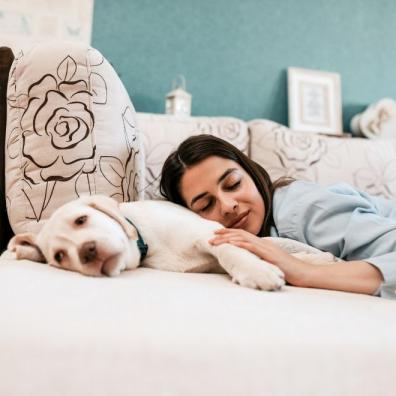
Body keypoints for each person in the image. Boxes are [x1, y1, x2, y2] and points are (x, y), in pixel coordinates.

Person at [159, 134, 396, 299]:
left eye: (233, 184)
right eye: (206, 204)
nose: (228, 206)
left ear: (250, 172)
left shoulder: (304, 209)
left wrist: (304, 272)